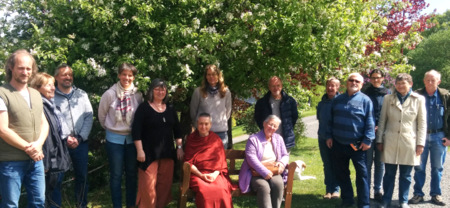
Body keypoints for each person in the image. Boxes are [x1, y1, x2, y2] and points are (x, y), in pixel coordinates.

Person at [0, 49, 49, 207]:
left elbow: (44, 123)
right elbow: (2, 129)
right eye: (21, 68)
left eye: (28, 68)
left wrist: (39, 144)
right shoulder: (2, 94)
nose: (25, 72)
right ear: (11, 68)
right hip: (11, 161)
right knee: (10, 204)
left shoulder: (35, 94)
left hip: (36, 160)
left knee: (38, 202)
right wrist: (29, 148)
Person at [376, 73, 426, 208]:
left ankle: (403, 201)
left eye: (403, 83)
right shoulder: (388, 98)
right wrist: (379, 140)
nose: (400, 86)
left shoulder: (419, 99)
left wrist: (420, 143)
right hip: (390, 141)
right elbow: (382, 121)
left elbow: (422, 123)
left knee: (406, 174)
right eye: (397, 83)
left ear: (410, 84)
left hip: (409, 142)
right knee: (389, 173)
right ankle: (386, 200)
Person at [325, 73, 375, 208]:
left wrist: (368, 139)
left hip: (358, 146)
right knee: (342, 174)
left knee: (362, 176)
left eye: (357, 81)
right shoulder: (337, 100)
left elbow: (370, 122)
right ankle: (347, 201)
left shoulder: (366, 101)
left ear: (361, 84)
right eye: (351, 80)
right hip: (339, 144)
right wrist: (329, 136)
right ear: (346, 83)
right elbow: (330, 120)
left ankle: (364, 204)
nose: (354, 83)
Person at [132, 78, 184, 208]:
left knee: (164, 187)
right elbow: (136, 131)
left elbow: (177, 131)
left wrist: (179, 147)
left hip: (167, 154)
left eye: (163, 89)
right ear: (151, 91)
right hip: (148, 155)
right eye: (157, 88)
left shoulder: (170, 108)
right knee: (148, 188)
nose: (161, 91)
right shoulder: (144, 108)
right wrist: (139, 150)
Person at [98, 63, 143, 208]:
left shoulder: (138, 94)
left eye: (130, 75)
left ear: (133, 77)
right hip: (114, 140)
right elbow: (102, 116)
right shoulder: (110, 94)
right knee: (116, 175)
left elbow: (140, 118)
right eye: (124, 74)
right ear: (119, 75)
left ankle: (131, 204)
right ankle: (117, 205)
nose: (127, 78)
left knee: (131, 174)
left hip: (132, 140)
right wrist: (114, 128)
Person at [30, 73, 74, 208]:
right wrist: (46, 163)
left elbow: (57, 132)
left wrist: (67, 138)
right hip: (47, 160)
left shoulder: (52, 106)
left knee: (54, 192)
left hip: (56, 158)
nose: (53, 88)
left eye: (53, 85)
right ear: (37, 88)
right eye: (48, 85)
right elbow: (42, 137)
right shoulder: (38, 107)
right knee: (44, 196)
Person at [54, 64, 93, 208]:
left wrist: (80, 137)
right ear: (56, 77)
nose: (68, 77)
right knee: (57, 178)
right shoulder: (51, 95)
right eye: (64, 74)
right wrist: (65, 137)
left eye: (70, 74)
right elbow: (49, 120)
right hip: (59, 144)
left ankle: (81, 204)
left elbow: (89, 117)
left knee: (82, 176)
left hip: (80, 143)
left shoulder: (81, 94)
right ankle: (56, 205)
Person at [410, 70, 450, 206]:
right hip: (421, 136)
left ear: (439, 81)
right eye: (428, 80)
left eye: (433, 80)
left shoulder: (445, 96)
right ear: (424, 81)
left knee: (437, 167)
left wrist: (449, 137)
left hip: (439, 136)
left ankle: (436, 194)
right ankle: (418, 194)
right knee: (419, 167)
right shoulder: (417, 95)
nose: (430, 82)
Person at [184, 113, 236, 208]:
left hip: (215, 174)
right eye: (201, 123)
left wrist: (214, 175)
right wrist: (201, 175)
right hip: (197, 174)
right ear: (197, 124)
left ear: (210, 125)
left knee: (222, 190)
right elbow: (188, 162)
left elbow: (221, 162)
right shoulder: (191, 139)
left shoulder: (216, 139)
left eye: (206, 124)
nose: (203, 126)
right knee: (205, 192)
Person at [239, 115, 289, 208]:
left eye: (275, 126)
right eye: (270, 124)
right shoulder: (253, 139)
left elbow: (285, 155)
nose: (272, 128)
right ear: (264, 124)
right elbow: (251, 158)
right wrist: (264, 171)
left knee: (278, 184)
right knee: (264, 187)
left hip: (273, 171)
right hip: (255, 172)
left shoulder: (278, 138)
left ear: (277, 128)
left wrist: (282, 163)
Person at [363, 69, 390, 202]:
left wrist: (381, 126)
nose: (375, 80)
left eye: (378, 78)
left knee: (380, 164)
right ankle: (366, 191)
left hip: (382, 133)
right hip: (367, 133)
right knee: (367, 163)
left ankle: (377, 190)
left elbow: (390, 113)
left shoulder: (388, 94)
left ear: (382, 78)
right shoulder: (365, 93)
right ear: (370, 79)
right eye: (373, 78)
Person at [190, 64, 232, 149]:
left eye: (213, 74)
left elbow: (228, 112)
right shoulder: (198, 92)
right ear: (205, 77)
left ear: (218, 76)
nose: (211, 77)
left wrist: (219, 122)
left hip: (221, 133)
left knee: (219, 160)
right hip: (204, 133)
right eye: (208, 74)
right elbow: (193, 112)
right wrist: (201, 127)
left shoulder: (225, 91)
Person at [254, 76, 298, 151]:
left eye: (278, 85)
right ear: (269, 87)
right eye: (273, 86)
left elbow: (294, 118)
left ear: (281, 86)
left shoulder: (290, 101)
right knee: (270, 161)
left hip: (285, 139)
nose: (276, 88)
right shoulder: (262, 102)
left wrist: (287, 128)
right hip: (268, 139)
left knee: (283, 161)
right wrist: (266, 130)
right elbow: (258, 118)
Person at [316, 77, 340, 199]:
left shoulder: (341, 102)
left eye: (333, 85)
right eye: (328, 85)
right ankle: (328, 190)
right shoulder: (321, 104)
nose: (330, 88)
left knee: (336, 163)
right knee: (327, 164)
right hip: (322, 138)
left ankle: (336, 189)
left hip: (337, 139)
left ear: (338, 87)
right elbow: (320, 119)